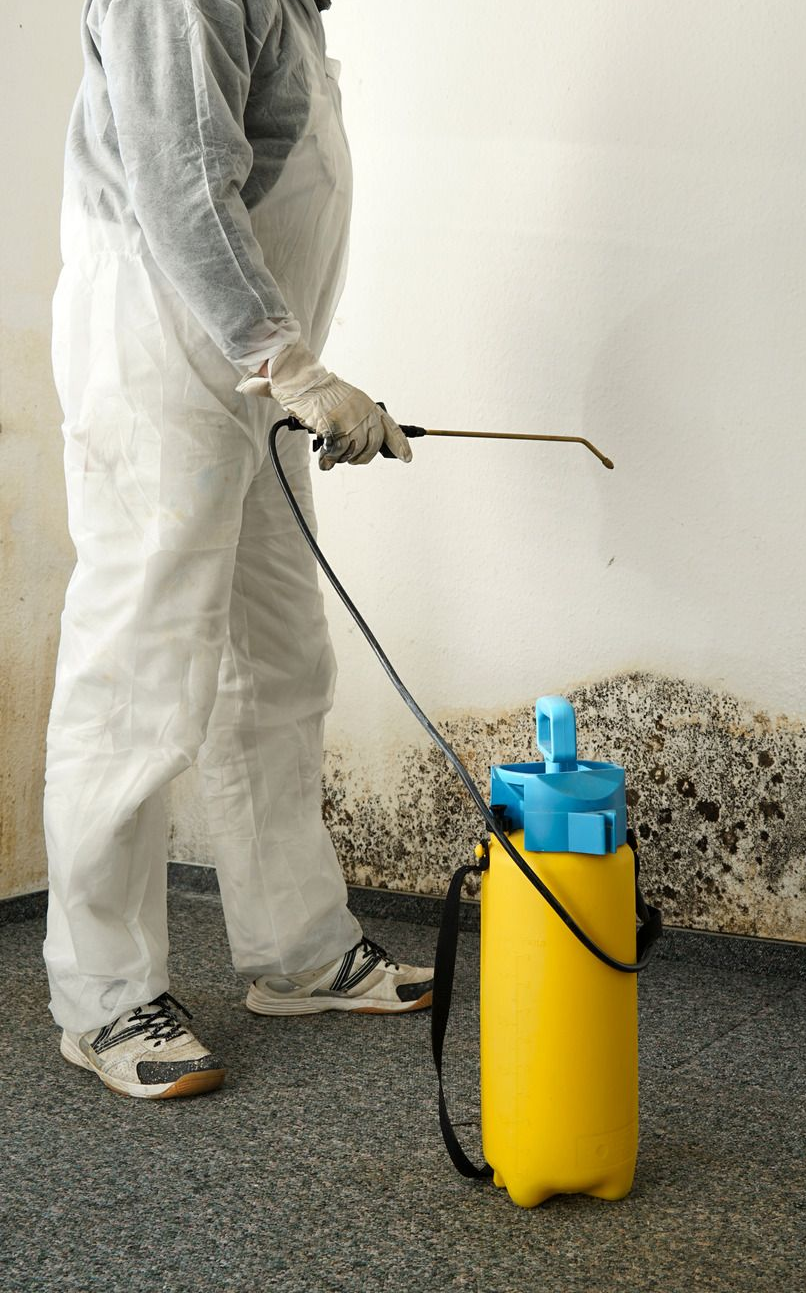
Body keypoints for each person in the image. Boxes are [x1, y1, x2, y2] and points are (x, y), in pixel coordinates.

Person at [44, 0, 432, 1100]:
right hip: (159, 350)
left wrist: (288, 371)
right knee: (139, 677)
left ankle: (299, 949)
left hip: (247, 370)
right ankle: (106, 997)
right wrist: (294, 366)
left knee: (279, 657)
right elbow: (179, 184)